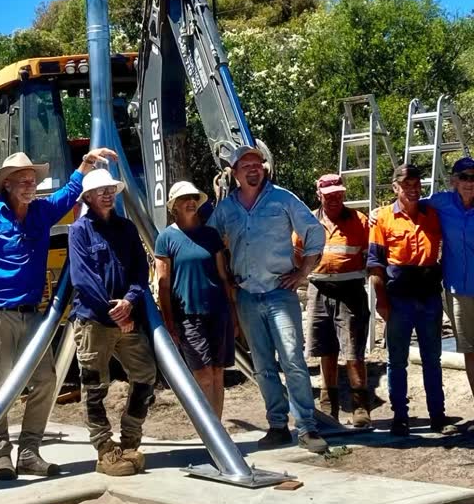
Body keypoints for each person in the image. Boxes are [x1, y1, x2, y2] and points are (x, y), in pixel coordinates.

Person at [0, 147, 117, 480]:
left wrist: (85, 163)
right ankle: (1, 456)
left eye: (32, 180)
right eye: (23, 181)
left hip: (34, 315)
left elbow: (69, 193)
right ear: (7, 184)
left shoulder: (42, 212)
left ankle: (29, 453)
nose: (30, 186)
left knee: (46, 381)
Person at [208, 144, 328, 453]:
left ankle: (307, 428)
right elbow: (209, 241)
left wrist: (302, 272)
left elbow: (315, 232)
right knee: (262, 366)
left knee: (293, 360)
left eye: (257, 164)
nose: (253, 169)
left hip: (279, 293)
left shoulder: (283, 199)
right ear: (234, 173)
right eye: (246, 165)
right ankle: (277, 426)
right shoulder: (226, 209)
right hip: (247, 296)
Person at [68, 168, 157, 477]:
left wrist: (129, 302)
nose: (107, 195)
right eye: (100, 191)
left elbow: (140, 270)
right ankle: (105, 450)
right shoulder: (79, 231)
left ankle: (130, 441)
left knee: (145, 374)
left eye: (110, 190)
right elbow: (83, 279)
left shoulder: (126, 228)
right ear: (88, 198)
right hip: (94, 321)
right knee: (94, 386)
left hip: (127, 317)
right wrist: (115, 314)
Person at [368, 163, 457, 437]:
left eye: (416, 184)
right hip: (398, 300)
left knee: (433, 359)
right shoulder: (383, 218)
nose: (412, 189)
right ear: (395, 187)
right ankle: (400, 418)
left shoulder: (433, 215)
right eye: (406, 184)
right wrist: (381, 302)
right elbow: (375, 265)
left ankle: (438, 416)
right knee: (397, 361)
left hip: (429, 298)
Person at [155, 181, 236, 418]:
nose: (190, 202)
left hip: (218, 312)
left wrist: (234, 315)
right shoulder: (166, 238)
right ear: (174, 206)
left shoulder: (210, 235)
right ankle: (207, 429)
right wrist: (169, 322)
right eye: (184, 199)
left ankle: (217, 430)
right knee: (203, 375)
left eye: (193, 198)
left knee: (218, 372)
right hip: (188, 315)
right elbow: (163, 285)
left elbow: (223, 277)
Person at [301, 173, 371, 427]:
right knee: (326, 351)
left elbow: (371, 256)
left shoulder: (359, 221)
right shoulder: (307, 221)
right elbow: (296, 253)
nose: (335, 199)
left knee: (353, 352)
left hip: (350, 291)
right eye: (329, 195)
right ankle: (328, 407)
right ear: (319, 195)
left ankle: (360, 407)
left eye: (339, 194)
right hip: (318, 289)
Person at [427, 156, 474, 407]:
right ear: (454, 180)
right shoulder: (441, 202)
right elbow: (407, 205)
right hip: (457, 290)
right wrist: (378, 214)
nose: (470, 182)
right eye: (464, 177)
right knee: (470, 350)